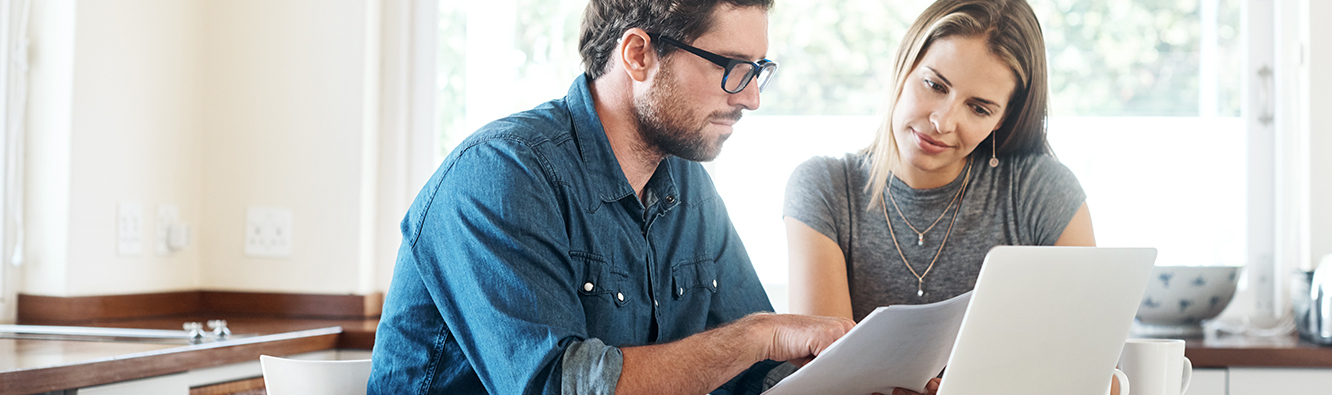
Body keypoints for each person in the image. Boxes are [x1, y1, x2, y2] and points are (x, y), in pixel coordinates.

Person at [368, 1, 856, 394]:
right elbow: (555, 387)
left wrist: (865, 379)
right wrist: (757, 335)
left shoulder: (687, 185)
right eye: (731, 67)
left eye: (758, 70)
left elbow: (752, 373)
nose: (751, 97)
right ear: (638, 54)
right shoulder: (500, 173)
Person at [784, 0, 1095, 390]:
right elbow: (826, 381)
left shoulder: (1041, 192)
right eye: (934, 85)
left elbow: (1096, 369)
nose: (943, 122)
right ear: (905, 64)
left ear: (1004, 120)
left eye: (979, 108)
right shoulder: (825, 188)